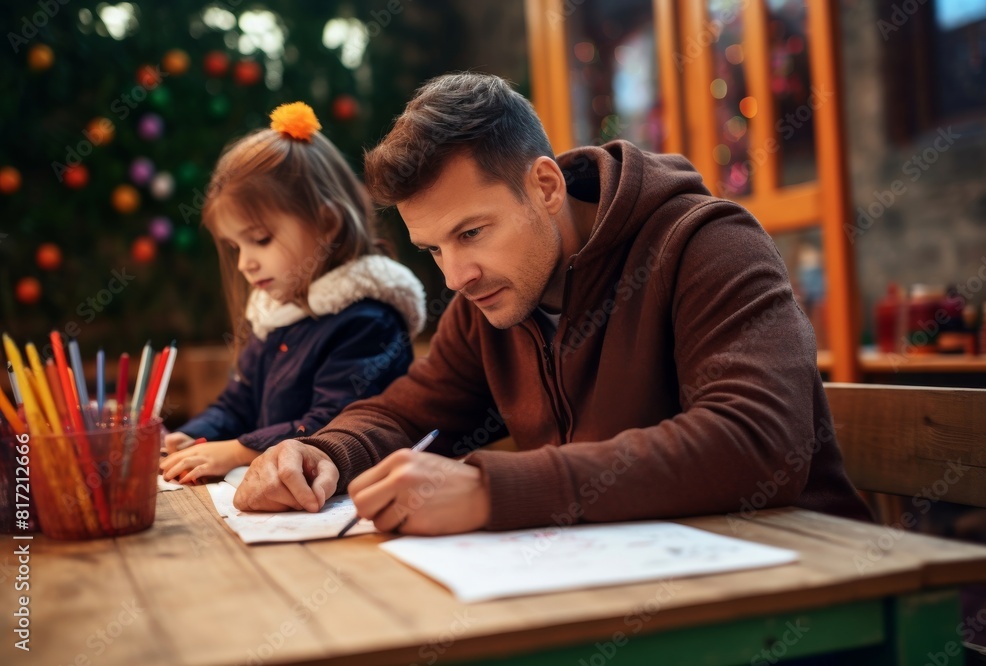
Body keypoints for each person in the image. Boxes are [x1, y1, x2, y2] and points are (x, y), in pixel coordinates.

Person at [233, 75, 870, 533]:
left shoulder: (706, 244)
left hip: (810, 594)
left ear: (544, 186)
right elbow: (407, 413)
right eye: (432, 250)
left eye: (471, 232)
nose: (456, 275)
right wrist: (325, 451)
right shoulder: (491, 298)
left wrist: (494, 491)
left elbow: (757, 442)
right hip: (631, 597)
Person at [160, 102, 426, 484]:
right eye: (236, 247)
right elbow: (237, 403)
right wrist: (195, 435)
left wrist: (235, 451)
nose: (245, 264)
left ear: (328, 225)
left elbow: (330, 424)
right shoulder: (277, 316)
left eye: (260, 240)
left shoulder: (368, 322)